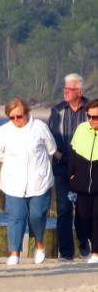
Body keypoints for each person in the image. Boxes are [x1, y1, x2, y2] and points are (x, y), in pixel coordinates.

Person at [0, 97, 56, 265]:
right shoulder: (4, 131)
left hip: (38, 181)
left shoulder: (40, 127)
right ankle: (14, 252)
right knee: (16, 216)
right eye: (11, 117)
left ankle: (39, 244)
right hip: (13, 182)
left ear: (26, 113)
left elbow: (51, 148)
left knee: (36, 216)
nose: (16, 120)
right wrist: (12, 162)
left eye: (18, 116)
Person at [48, 73, 92, 260]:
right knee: (64, 210)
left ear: (80, 92)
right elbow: (51, 136)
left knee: (83, 210)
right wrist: (58, 155)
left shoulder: (91, 109)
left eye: (70, 89)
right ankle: (66, 252)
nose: (65, 92)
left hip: (85, 168)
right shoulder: (58, 111)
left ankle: (83, 241)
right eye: (64, 88)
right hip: (62, 167)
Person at [68, 98, 98, 263]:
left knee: (96, 217)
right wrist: (71, 174)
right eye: (89, 116)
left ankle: (96, 252)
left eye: (96, 117)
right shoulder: (81, 129)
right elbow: (73, 152)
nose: (92, 120)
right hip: (81, 183)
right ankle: (87, 241)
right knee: (83, 216)